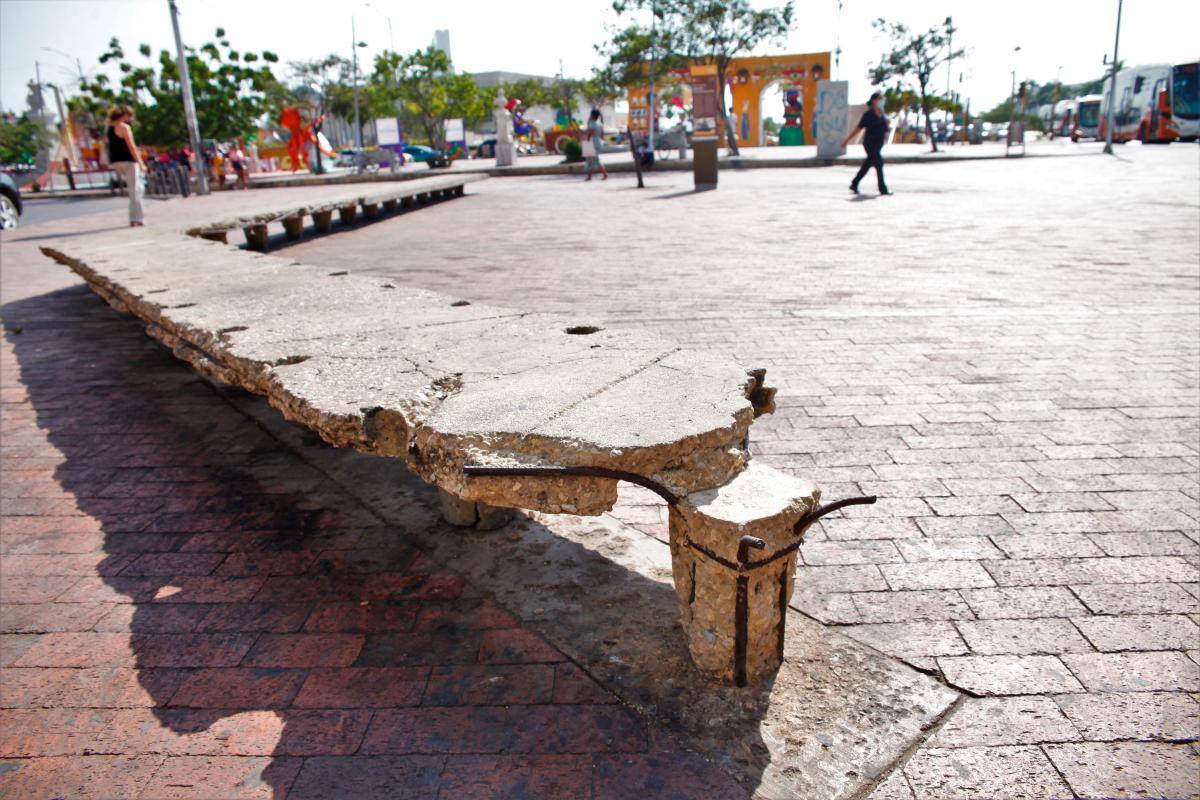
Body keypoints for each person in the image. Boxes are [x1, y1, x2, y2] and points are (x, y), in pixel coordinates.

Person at [842, 91, 892, 195]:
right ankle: (883, 189)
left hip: (878, 144)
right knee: (879, 164)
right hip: (870, 143)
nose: (881, 101)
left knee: (867, 164)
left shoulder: (882, 114)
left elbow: (886, 129)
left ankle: (854, 183)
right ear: (874, 101)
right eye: (879, 99)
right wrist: (847, 140)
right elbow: (858, 128)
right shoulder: (868, 115)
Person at [105, 105, 146, 226]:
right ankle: (136, 218)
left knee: (136, 187)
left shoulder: (109, 128)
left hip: (116, 162)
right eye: (130, 116)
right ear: (124, 115)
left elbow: (106, 145)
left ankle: (135, 216)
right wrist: (141, 162)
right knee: (135, 190)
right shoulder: (124, 127)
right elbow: (131, 146)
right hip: (128, 161)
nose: (131, 118)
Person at [584, 108, 608, 182]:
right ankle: (589, 176)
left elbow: (589, 133)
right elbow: (602, 135)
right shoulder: (600, 124)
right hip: (598, 142)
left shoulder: (592, 124)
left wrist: (587, 141)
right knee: (590, 160)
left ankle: (605, 174)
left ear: (592, 115)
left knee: (594, 159)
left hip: (591, 142)